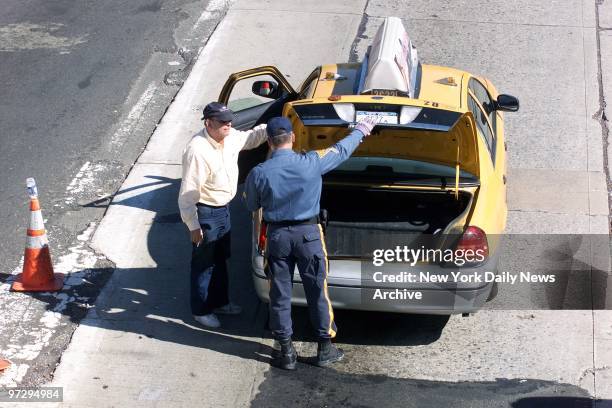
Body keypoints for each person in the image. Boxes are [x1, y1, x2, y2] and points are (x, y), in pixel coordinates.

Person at [243, 115, 378, 369]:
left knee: (279, 294)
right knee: (318, 291)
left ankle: (286, 352)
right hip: (309, 236)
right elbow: (341, 150)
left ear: (270, 143)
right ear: (292, 137)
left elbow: (251, 204)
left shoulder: (259, 172)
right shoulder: (312, 162)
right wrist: (362, 129)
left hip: (277, 237)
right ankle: (325, 349)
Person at [178, 102, 269, 328]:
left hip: (223, 210)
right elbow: (187, 194)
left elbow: (251, 138)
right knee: (204, 263)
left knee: (220, 259)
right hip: (206, 212)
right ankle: (201, 310)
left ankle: (220, 302)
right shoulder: (197, 151)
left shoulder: (229, 137)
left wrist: (275, 126)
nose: (228, 125)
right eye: (223, 122)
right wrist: (193, 227)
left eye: (230, 120)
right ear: (208, 123)